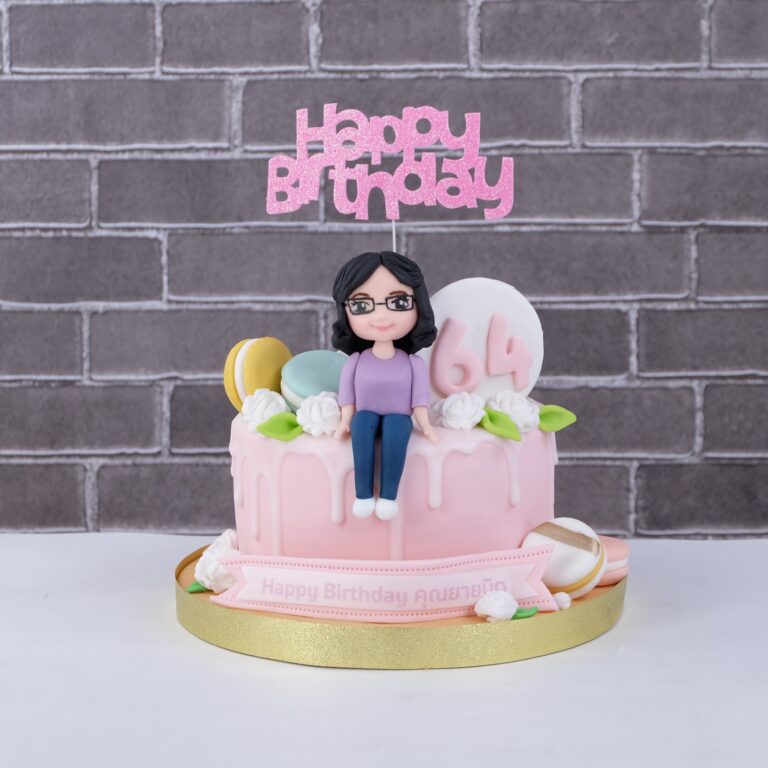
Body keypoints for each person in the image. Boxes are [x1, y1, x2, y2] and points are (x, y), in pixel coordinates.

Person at [331, 252, 438, 521]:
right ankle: (363, 495)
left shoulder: (413, 363)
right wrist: (345, 421)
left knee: (397, 430)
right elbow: (347, 396)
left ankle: (389, 496)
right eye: (362, 305)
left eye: (399, 302)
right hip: (365, 413)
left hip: (399, 415)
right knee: (361, 424)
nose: (381, 315)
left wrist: (425, 424)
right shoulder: (355, 361)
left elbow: (420, 399)